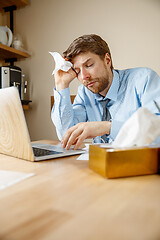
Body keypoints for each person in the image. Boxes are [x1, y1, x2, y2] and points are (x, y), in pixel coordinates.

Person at [51, 34, 160, 150]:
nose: (84, 77)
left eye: (89, 65)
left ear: (107, 60)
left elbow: (157, 132)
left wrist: (107, 127)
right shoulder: (84, 93)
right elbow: (66, 135)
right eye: (77, 71)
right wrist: (61, 85)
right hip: (101, 165)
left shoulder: (144, 79)